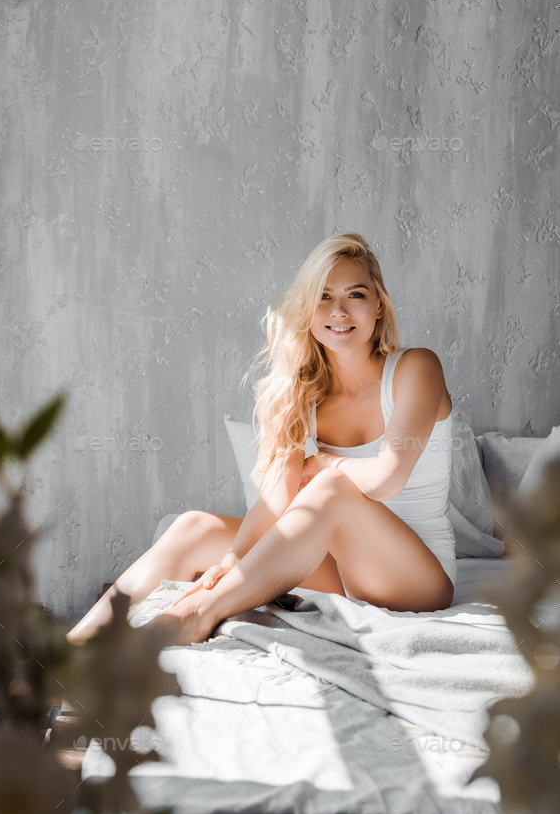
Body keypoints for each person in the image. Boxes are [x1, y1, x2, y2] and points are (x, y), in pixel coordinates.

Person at [66, 232, 456, 648]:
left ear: (378, 305)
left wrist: (326, 463)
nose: (338, 311)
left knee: (332, 487)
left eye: (355, 295)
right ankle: (69, 652)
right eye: (323, 297)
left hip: (418, 579)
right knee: (193, 528)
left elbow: (387, 479)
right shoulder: (302, 391)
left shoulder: (415, 368)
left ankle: (196, 613)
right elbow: (275, 499)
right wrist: (236, 558)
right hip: (342, 572)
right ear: (307, 309)